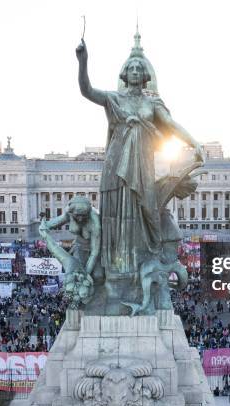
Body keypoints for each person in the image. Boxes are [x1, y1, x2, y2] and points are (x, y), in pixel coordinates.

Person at [75, 38, 203, 278]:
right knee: (115, 213)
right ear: (124, 74)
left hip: (142, 165)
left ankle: (141, 262)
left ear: (145, 76)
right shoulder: (114, 98)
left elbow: (171, 125)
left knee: (144, 209)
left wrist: (193, 142)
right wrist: (83, 61)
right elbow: (86, 90)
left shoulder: (152, 103)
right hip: (116, 163)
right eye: (130, 68)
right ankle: (116, 268)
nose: (134, 71)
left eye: (138, 68)